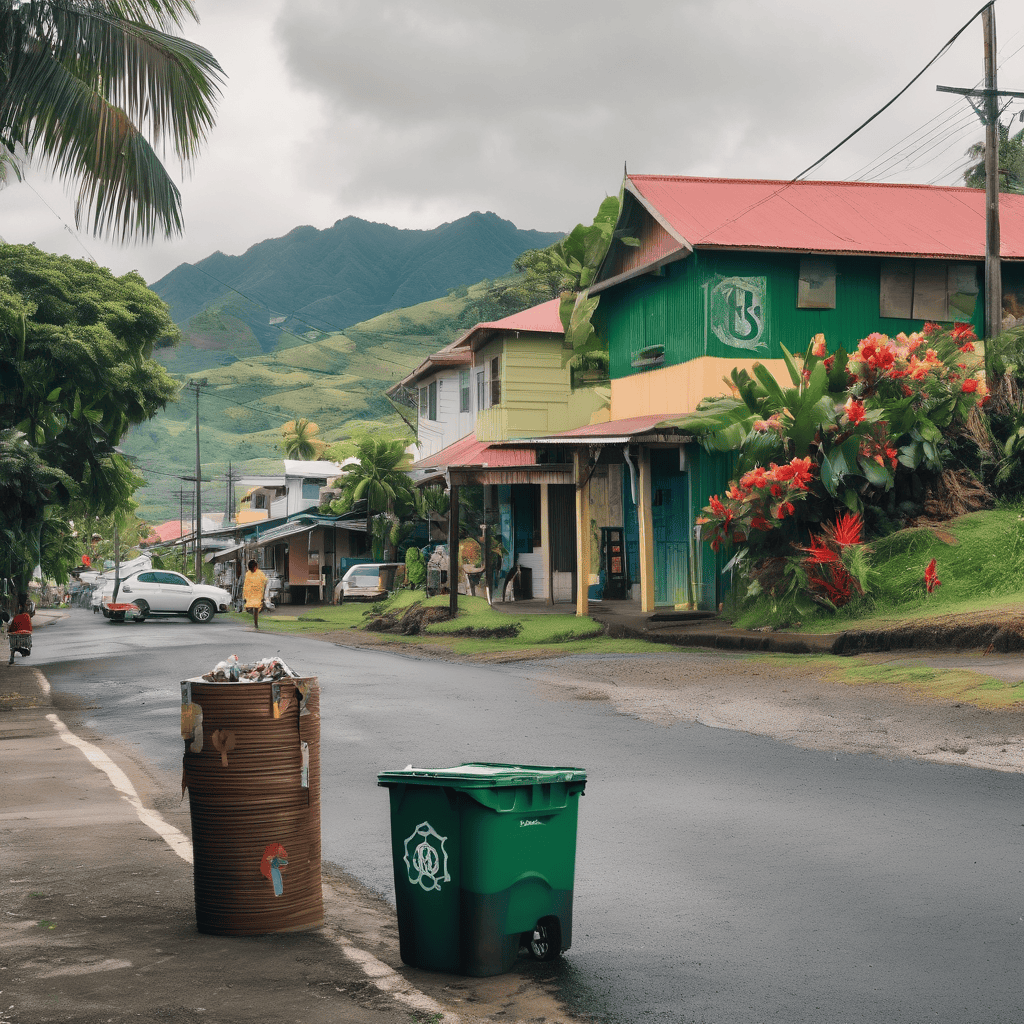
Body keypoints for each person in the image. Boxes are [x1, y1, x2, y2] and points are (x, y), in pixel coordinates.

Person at [242, 559, 268, 630]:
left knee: (256, 609)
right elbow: (245, 585)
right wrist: (244, 595)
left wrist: (263, 594)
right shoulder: (248, 574)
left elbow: (265, 583)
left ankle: (256, 624)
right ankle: (254, 621)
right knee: (249, 608)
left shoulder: (260, 573)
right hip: (250, 594)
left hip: (258, 594)